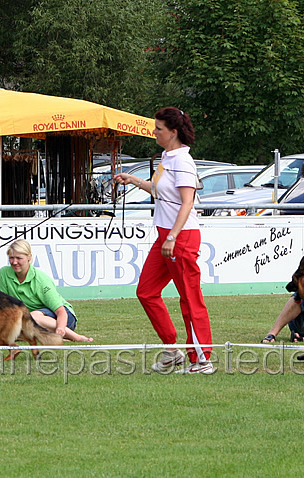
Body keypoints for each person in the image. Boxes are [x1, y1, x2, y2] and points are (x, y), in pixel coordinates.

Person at [114, 107, 214, 374]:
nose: (154, 132)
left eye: (159, 129)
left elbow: (187, 202)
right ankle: (172, 350)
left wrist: (172, 237)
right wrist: (134, 180)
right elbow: (160, 191)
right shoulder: (168, 157)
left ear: (173, 132)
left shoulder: (182, 161)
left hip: (179, 237)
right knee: (146, 291)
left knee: (189, 298)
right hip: (165, 235)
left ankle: (202, 358)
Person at [0, 239, 92, 342]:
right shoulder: (4, 273)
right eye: (11, 258)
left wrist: (60, 328)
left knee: (33, 317)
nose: (14, 262)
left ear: (29, 257)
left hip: (62, 319)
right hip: (29, 321)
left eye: (19, 258)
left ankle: (76, 337)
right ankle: (53, 337)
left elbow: (61, 312)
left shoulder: (41, 280)